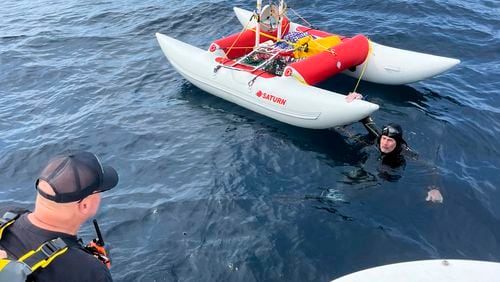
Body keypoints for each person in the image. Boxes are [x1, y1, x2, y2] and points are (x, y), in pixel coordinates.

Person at [0, 151, 118, 281]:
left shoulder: (5, 212)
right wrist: (94, 268)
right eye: (99, 192)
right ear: (84, 205)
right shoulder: (91, 273)